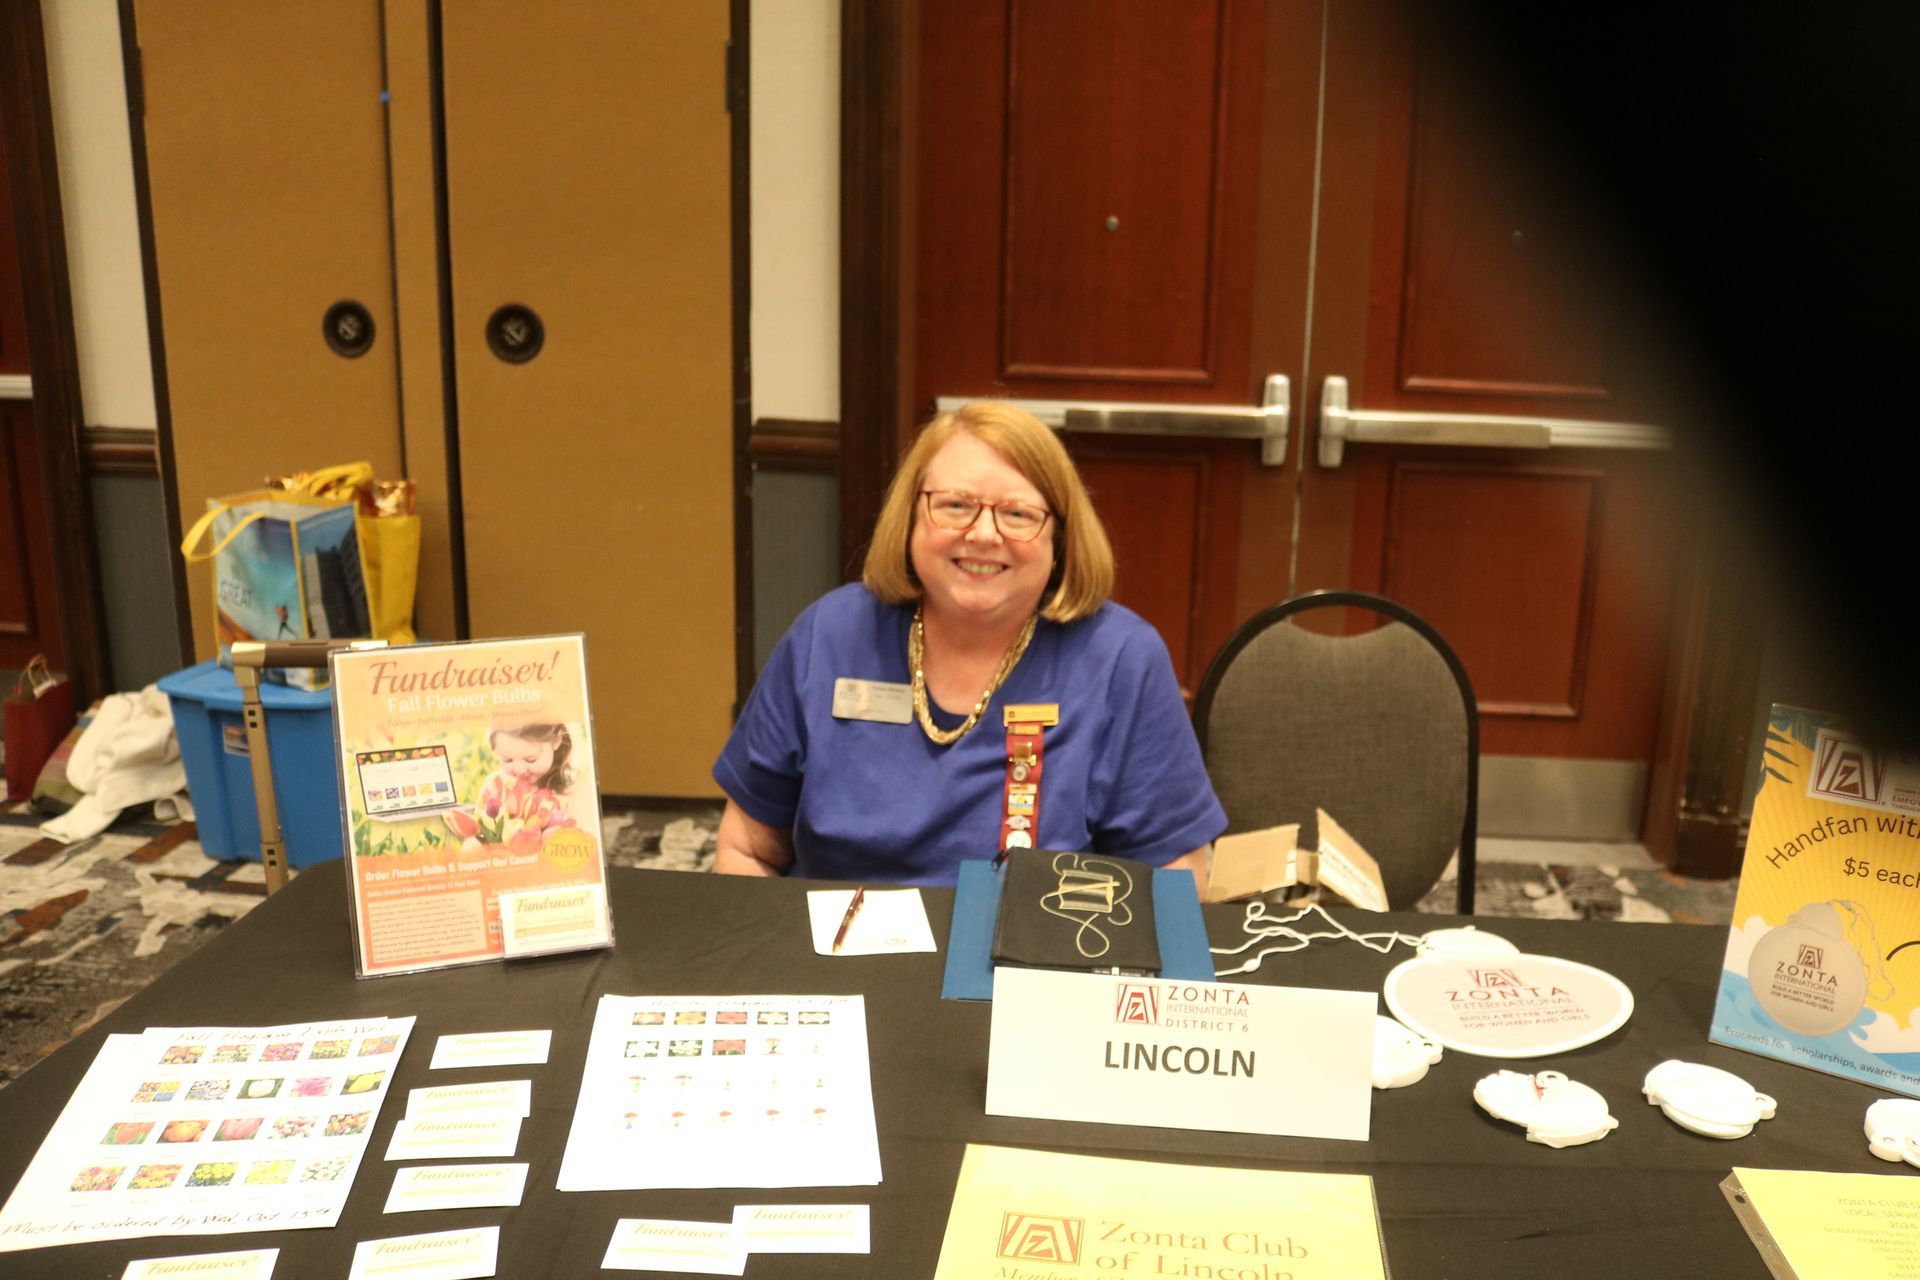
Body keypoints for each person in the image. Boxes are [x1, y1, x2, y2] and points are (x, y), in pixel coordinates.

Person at [712, 401, 1225, 889]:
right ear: (911, 518)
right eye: (955, 505)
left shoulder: (1121, 659)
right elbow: (748, 850)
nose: (982, 534)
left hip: (1031, 970)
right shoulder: (830, 633)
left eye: (1018, 515)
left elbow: (1174, 878)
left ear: (1060, 539)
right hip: (834, 961)